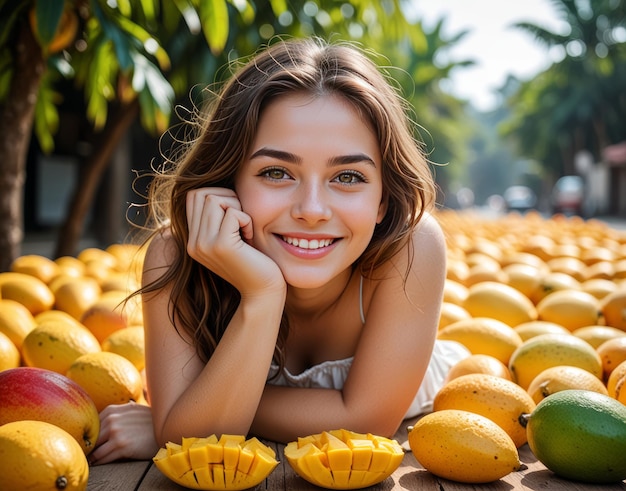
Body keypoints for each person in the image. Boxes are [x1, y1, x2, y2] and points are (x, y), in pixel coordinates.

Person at [89, 36, 469, 465]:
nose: (311, 210)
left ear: (383, 199)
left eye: (347, 177)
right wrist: (263, 294)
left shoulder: (412, 248)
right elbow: (196, 444)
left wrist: (178, 417)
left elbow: (365, 422)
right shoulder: (177, 256)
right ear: (228, 182)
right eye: (276, 172)